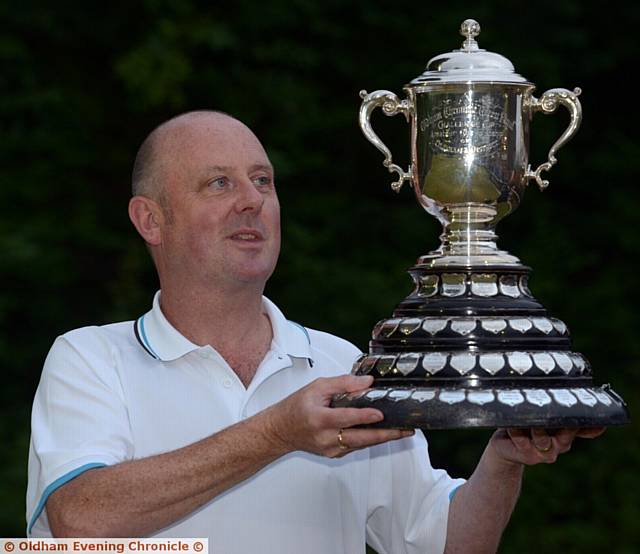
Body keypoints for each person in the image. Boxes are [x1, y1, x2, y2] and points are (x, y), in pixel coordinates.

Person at [26, 110, 603, 553]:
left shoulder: (341, 363)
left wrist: (503, 457)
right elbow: (78, 519)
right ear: (150, 220)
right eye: (219, 184)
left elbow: (446, 540)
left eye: (263, 181)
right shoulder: (90, 357)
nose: (252, 201)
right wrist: (277, 432)